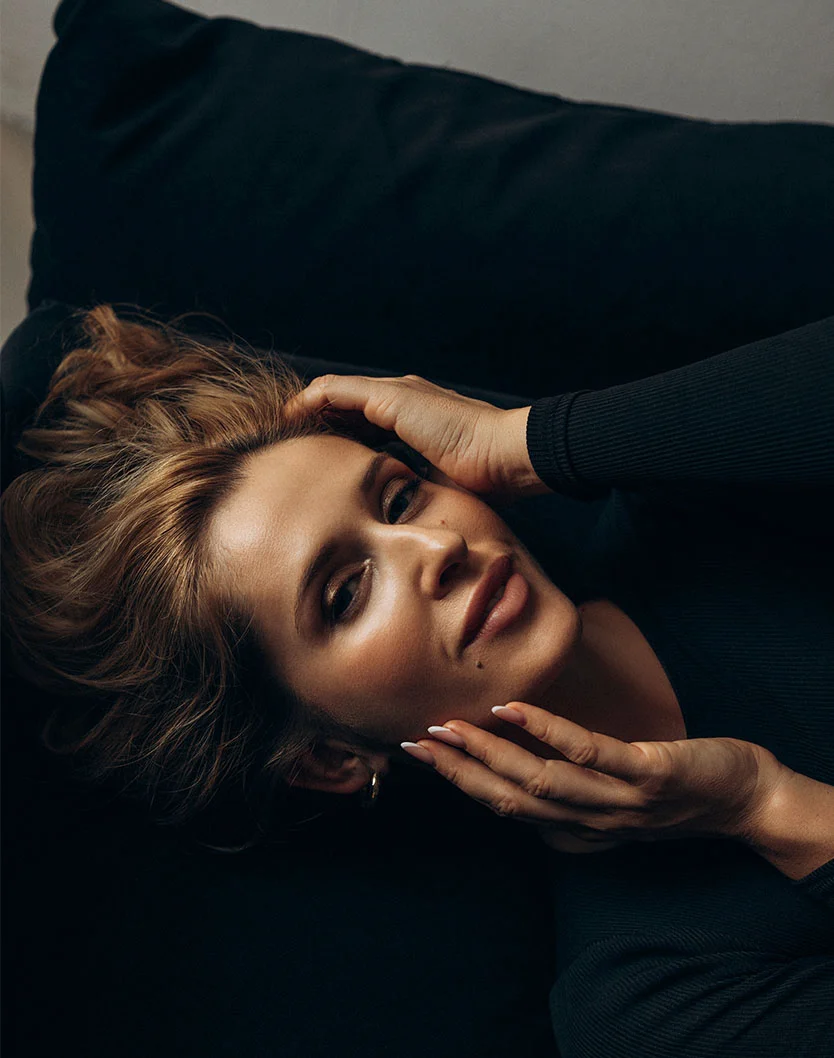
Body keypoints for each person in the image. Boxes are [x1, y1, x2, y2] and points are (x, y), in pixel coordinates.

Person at [1, 303, 832, 1055]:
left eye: (400, 501)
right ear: (326, 759)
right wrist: (764, 804)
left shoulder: (702, 492)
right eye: (346, 593)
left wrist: (532, 443)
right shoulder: (654, 998)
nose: (438, 551)